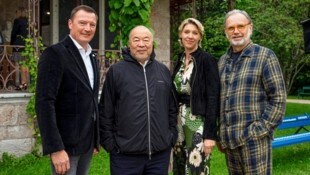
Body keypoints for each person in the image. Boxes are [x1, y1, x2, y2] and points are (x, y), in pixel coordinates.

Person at [99, 25, 178, 175]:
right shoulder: (116, 72)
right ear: (129, 44)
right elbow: (105, 110)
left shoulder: (163, 71)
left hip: (159, 156)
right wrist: (110, 144)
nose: (141, 44)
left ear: (152, 43)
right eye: (136, 40)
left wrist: (170, 137)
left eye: (146, 40)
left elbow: (171, 108)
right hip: (125, 156)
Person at [217, 9, 287, 174]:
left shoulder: (265, 56)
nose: (236, 31)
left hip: (255, 142)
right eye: (231, 28)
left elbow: (279, 99)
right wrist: (220, 133)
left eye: (240, 26)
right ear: (226, 31)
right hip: (230, 143)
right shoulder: (221, 61)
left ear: (250, 27)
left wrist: (258, 132)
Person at [35, 5, 100, 175]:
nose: (88, 28)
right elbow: (44, 103)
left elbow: (90, 100)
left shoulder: (92, 57)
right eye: (82, 23)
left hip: (86, 144)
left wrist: (94, 139)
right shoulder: (54, 54)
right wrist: (55, 148)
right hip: (65, 147)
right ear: (70, 24)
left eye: (92, 24)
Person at [172, 18, 220, 175]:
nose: (190, 36)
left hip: (197, 122)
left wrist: (210, 135)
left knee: (196, 168)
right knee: (179, 166)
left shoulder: (207, 60)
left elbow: (213, 98)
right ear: (181, 35)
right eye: (186, 32)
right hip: (179, 122)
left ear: (200, 37)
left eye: (195, 33)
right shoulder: (179, 60)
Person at [10, 7, 29, 90]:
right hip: (26, 45)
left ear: (19, 13)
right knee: (25, 65)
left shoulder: (17, 21)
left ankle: (21, 83)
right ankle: (25, 83)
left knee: (18, 65)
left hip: (18, 45)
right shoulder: (28, 22)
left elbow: (14, 33)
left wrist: (11, 44)